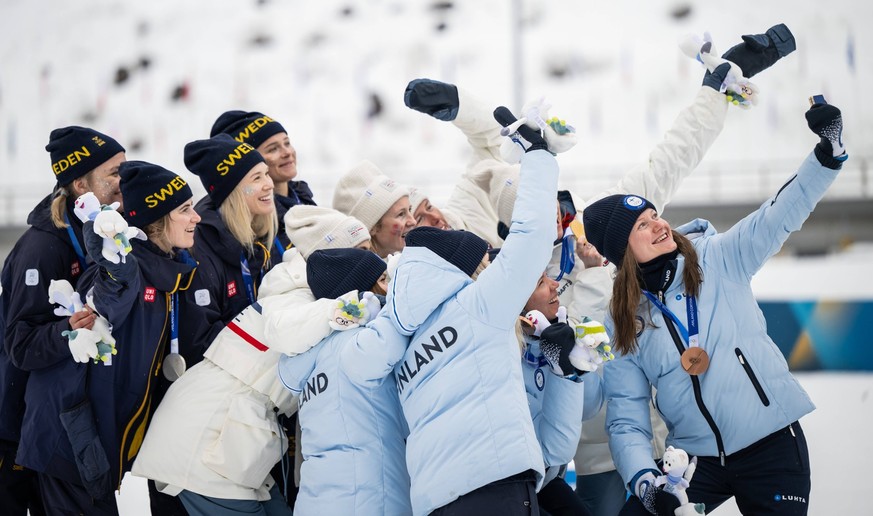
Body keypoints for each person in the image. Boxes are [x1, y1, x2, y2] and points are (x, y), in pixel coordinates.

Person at [582, 98, 846, 515]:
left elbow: (778, 215)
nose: (659, 224)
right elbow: (626, 416)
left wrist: (825, 155)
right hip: (692, 461)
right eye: (642, 224)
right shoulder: (623, 322)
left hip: (771, 445)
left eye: (655, 215)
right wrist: (644, 481)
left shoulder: (719, 258)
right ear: (622, 251)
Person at [380, 103, 564, 513]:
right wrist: (538, 157)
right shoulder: (478, 305)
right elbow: (533, 238)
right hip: (495, 486)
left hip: (434, 500)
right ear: (458, 269)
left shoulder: (401, 334)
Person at [132, 206, 374, 516]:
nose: (373, 261)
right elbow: (285, 332)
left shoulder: (307, 294)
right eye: (363, 252)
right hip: (207, 439)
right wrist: (351, 309)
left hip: (233, 440)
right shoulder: (293, 296)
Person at [15, 160, 199, 515]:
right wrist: (113, 266)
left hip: (93, 435)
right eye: (185, 210)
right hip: (70, 435)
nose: (197, 218)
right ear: (157, 219)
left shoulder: (164, 271)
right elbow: (111, 293)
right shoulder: (126, 270)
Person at [0, 126, 125, 516]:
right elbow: (19, 344)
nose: (124, 182)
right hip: (21, 427)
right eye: (114, 173)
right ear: (79, 184)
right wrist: (69, 329)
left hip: (68, 416)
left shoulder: (100, 233)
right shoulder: (41, 248)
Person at [277, 247, 411, 515]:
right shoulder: (362, 346)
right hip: (367, 498)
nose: (390, 286)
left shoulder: (312, 354)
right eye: (384, 279)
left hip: (315, 500)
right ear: (365, 291)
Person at [181, 133, 279, 360]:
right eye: (256, 178)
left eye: (266, 174)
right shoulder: (200, 250)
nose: (269, 184)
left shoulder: (257, 232)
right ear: (232, 191)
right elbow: (198, 344)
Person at [211, 110, 317, 256]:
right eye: (273, 149)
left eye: (287, 143)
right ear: (249, 163)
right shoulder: (251, 218)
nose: (287, 152)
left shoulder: (304, 199)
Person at [332, 161, 415, 258]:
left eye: (410, 209)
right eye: (401, 214)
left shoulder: (397, 266)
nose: (413, 221)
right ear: (372, 227)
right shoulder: (364, 272)